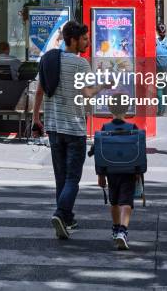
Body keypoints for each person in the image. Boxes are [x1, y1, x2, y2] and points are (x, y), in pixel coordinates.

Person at [32, 21, 106, 240]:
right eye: (84, 39)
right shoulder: (81, 64)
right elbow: (88, 94)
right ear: (73, 40)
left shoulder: (50, 60)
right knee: (73, 178)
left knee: (61, 178)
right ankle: (60, 213)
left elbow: (39, 92)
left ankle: (67, 218)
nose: (87, 43)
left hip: (54, 127)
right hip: (74, 128)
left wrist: (36, 117)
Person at [97, 94, 143, 250]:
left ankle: (116, 228)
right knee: (126, 201)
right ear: (127, 108)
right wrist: (138, 172)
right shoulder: (133, 128)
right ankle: (123, 231)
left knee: (114, 201)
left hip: (111, 171)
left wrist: (101, 175)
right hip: (129, 172)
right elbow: (139, 153)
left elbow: (100, 155)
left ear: (110, 108)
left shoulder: (105, 128)